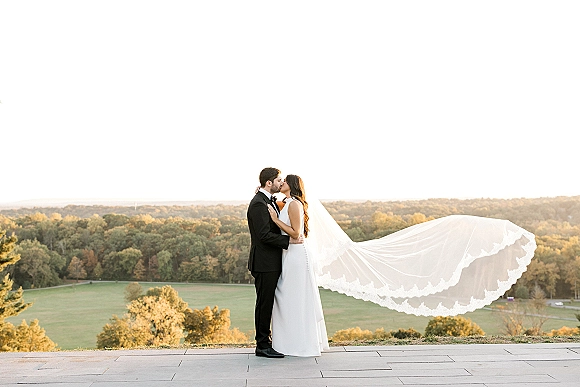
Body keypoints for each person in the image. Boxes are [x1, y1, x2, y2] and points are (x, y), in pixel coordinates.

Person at [267, 174, 329, 357]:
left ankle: (300, 343)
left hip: (297, 256)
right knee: (289, 298)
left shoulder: (295, 204)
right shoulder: (287, 203)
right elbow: (273, 202)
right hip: (289, 255)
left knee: (295, 298)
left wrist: (275, 220)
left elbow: (296, 234)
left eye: (284, 181)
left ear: (292, 185)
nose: (282, 182)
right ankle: (291, 341)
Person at [247, 167, 302, 358]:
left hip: (272, 261)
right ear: (269, 183)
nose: (281, 182)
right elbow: (263, 235)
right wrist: (289, 241)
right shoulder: (258, 204)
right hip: (264, 263)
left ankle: (270, 341)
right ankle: (262, 344)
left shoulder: (267, 200)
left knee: (269, 302)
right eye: (278, 180)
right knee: (264, 303)